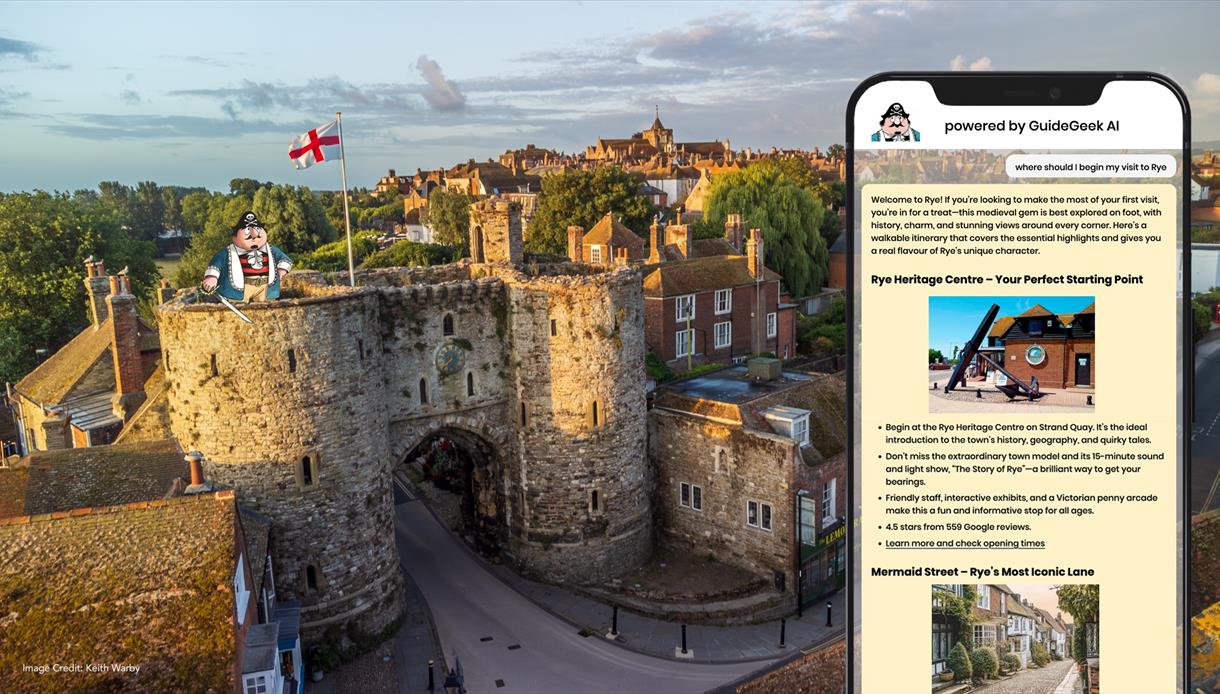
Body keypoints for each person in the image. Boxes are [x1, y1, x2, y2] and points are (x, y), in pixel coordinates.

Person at [201, 211, 292, 302]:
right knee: (241, 307)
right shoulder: (228, 252)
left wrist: (281, 270)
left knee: (266, 307)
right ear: (235, 236)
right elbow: (217, 263)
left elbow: (284, 259)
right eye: (248, 236)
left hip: (266, 288)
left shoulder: (270, 250)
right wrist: (212, 277)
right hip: (242, 288)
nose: (254, 237)